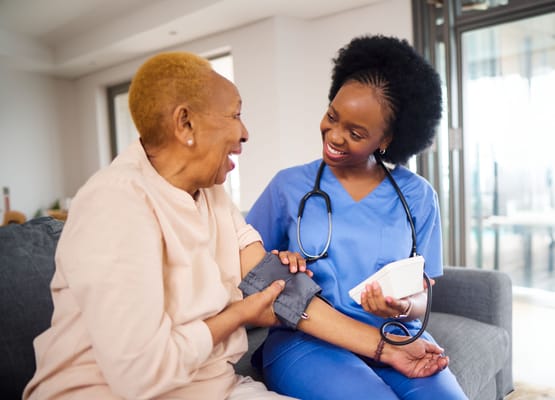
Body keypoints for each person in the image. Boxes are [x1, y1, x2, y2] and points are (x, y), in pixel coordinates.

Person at [23, 50, 450, 400]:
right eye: (235, 115)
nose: (245, 133)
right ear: (185, 124)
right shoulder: (115, 204)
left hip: (212, 385)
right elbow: (141, 376)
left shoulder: (211, 195)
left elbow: (280, 288)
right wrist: (246, 310)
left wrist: (385, 347)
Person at [246, 35, 469, 399]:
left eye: (355, 132)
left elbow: (424, 294)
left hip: (395, 334)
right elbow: (247, 271)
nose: (333, 136)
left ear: (387, 139)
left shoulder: (418, 196)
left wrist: (403, 306)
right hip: (308, 342)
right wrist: (278, 261)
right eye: (332, 117)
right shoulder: (288, 187)